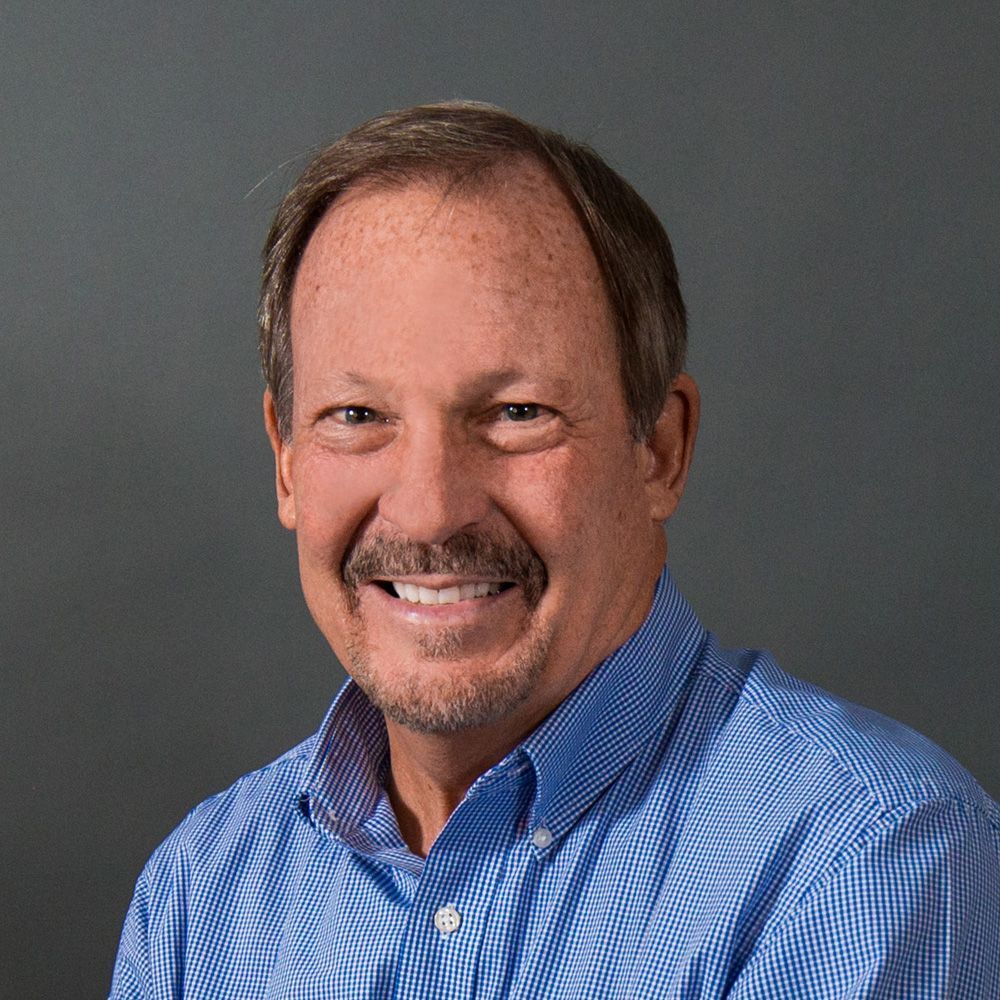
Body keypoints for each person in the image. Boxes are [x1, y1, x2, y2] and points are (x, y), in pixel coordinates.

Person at [111, 102, 999, 998]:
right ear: (288, 463)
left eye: (516, 414)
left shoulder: (863, 861)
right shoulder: (199, 897)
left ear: (660, 450)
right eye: (357, 417)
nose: (426, 513)